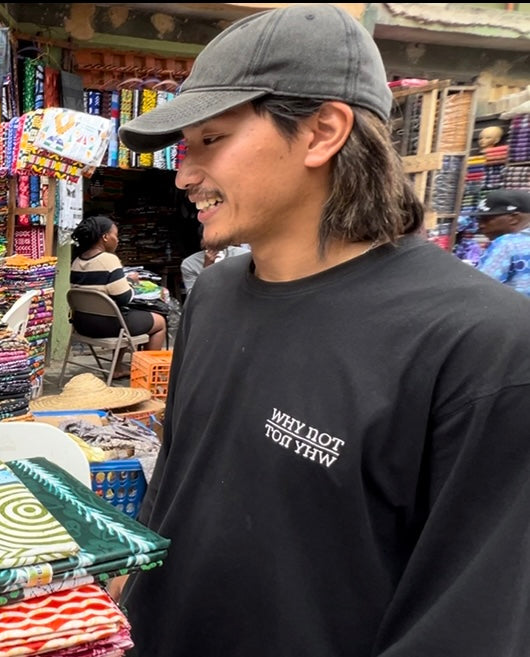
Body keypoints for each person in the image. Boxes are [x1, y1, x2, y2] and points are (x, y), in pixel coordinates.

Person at [115, 5, 530, 657]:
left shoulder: (481, 346)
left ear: (321, 132)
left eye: (210, 140)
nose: (184, 175)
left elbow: (467, 623)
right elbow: (176, 491)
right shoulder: (217, 294)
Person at [70, 215, 167, 371]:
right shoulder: (109, 259)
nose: (118, 240)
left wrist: (124, 279)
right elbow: (125, 298)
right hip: (106, 325)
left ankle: (116, 369)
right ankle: (147, 372)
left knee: (124, 315)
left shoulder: (77, 261)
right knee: (159, 322)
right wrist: (131, 282)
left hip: (82, 324)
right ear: (105, 237)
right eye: (116, 235)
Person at [474, 189, 530, 297]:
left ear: (514, 218)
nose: (480, 225)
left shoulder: (506, 244)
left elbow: (481, 286)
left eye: (486, 219)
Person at [180, 228, 249, 296]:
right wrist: (207, 269)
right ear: (203, 240)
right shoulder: (190, 264)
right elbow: (193, 298)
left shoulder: (245, 255)